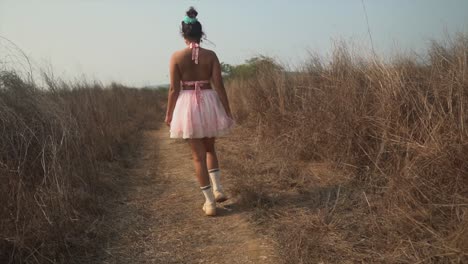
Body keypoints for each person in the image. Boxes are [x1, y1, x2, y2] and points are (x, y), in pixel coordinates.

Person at [165, 7, 234, 216]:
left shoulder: (176, 57)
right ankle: (218, 188)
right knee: (210, 149)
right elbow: (219, 85)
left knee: (197, 157)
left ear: (183, 34)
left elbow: (174, 89)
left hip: (187, 105)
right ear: (201, 33)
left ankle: (210, 203)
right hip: (209, 101)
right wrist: (227, 110)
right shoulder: (211, 55)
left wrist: (169, 114)